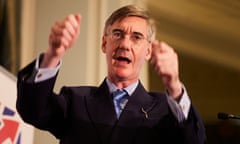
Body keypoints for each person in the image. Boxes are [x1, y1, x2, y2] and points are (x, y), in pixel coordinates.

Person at [16, 4, 206, 144]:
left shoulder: (165, 109)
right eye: (117, 34)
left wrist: (173, 83)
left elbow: (194, 140)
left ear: (148, 51)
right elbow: (32, 110)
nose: (124, 44)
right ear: (104, 44)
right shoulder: (75, 100)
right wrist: (53, 54)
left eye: (136, 37)